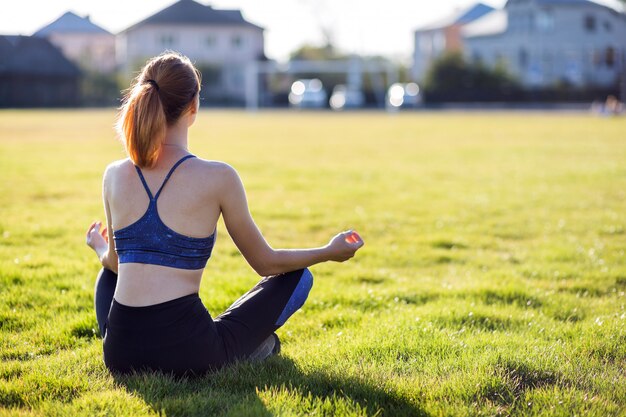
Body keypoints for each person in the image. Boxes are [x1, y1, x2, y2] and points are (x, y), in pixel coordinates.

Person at [85, 52, 364, 377]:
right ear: (194, 107)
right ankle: (247, 349)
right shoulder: (219, 177)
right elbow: (267, 264)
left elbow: (115, 263)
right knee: (299, 277)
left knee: (109, 274)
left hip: (120, 354)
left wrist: (98, 247)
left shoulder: (114, 174)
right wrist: (329, 251)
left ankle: (230, 345)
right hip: (188, 354)